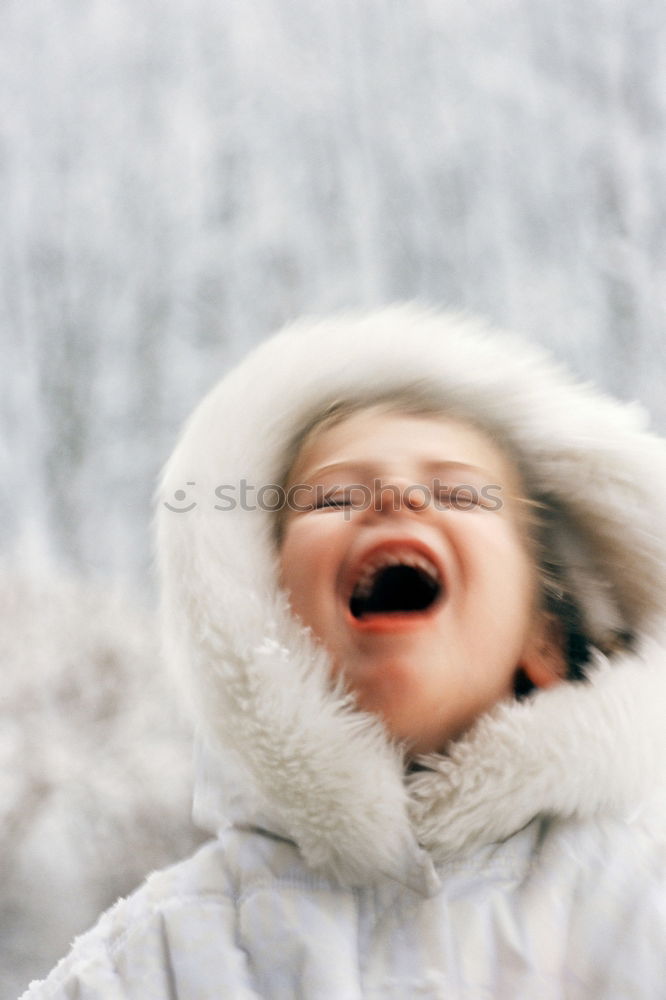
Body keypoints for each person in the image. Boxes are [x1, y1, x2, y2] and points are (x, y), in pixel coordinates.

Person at [22, 306, 666, 998]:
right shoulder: (156, 958)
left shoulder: (638, 910)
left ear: (543, 639)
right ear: (261, 616)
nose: (396, 494)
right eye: (332, 496)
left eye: (456, 491)